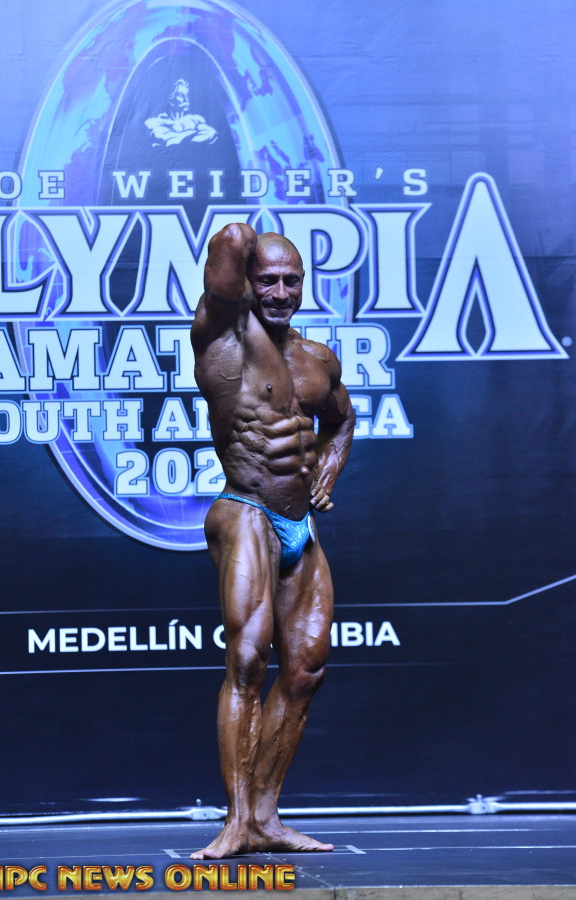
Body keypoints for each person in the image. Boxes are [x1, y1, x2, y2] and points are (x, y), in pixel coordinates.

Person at [190, 223, 355, 859]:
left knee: (306, 670)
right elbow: (232, 239)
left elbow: (341, 421)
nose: (281, 292)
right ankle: (235, 822)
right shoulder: (221, 335)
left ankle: (264, 816)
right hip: (245, 511)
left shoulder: (317, 359)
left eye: (292, 281)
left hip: (298, 526)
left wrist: (329, 466)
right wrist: (248, 251)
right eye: (268, 280)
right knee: (248, 661)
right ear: (246, 284)